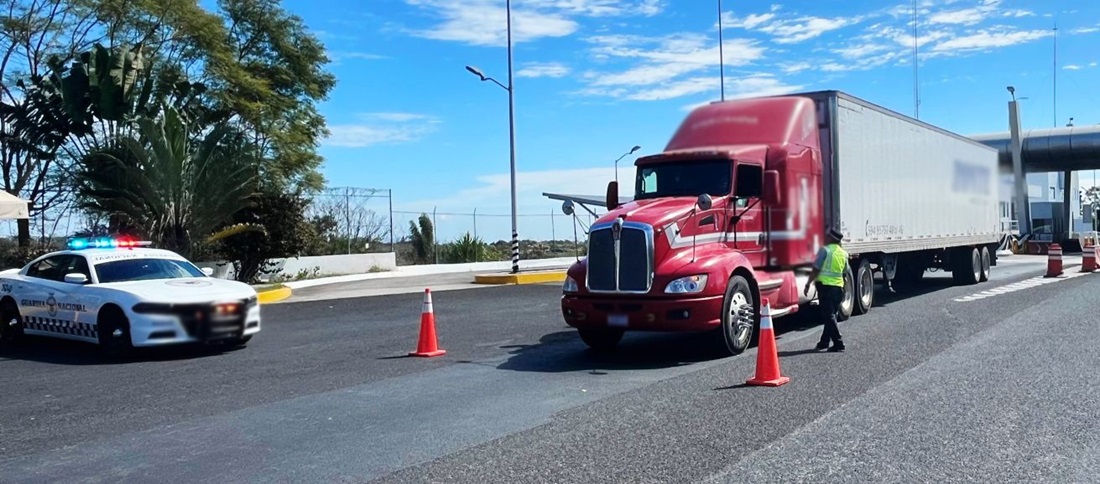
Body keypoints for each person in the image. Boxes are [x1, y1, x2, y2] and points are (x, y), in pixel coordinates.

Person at [803, 228, 847, 352]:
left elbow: (816, 268)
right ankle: (824, 342)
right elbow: (845, 271)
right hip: (839, 288)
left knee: (829, 316)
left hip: (826, 288)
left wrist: (808, 284)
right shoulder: (843, 253)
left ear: (831, 239)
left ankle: (838, 343)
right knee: (831, 315)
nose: (825, 238)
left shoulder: (825, 251)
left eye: (827, 236)